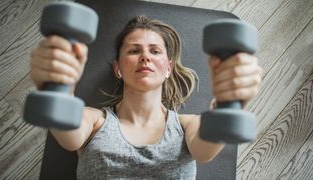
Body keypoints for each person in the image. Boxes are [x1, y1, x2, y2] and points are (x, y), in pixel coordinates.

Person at [30, 16, 262, 179]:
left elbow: (205, 151)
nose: (145, 57)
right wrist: (59, 85)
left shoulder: (188, 125)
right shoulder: (94, 121)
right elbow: (68, 134)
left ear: (168, 68)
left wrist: (228, 101)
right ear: (118, 68)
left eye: (155, 50)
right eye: (133, 50)